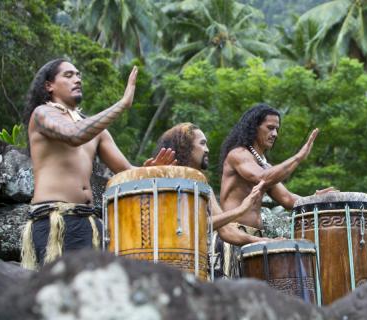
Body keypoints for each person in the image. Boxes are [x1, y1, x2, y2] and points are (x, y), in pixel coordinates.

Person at [20, 59, 175, 270]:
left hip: (90, 223)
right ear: (49, 86)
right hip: (55, 221)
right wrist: (122, 105)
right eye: (68, 75)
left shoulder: (96, 130)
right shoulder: (42, 114)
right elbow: (74, 135)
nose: (77, 79)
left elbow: (127, 171)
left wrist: (152, 170)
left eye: (78, 75)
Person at [218, 103, 335, 278]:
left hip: (257, 240)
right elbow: (262, 178)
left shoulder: (265, 165)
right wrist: (299, 157)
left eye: (277, 129)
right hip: (232, 237)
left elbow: (288, 199)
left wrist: (314, 199)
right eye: (270, 128)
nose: (275, 134)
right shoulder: (238, 154)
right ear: (254, 128)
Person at [153, 123, 269, 279]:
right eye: (202, 143)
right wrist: (240, 210)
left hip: (197, 266)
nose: (207, 149)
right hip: (169, 265)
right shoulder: (166, 178)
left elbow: (226, 230)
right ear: (185, 147)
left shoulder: (203, 184)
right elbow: (191, 227)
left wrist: (262, 241)